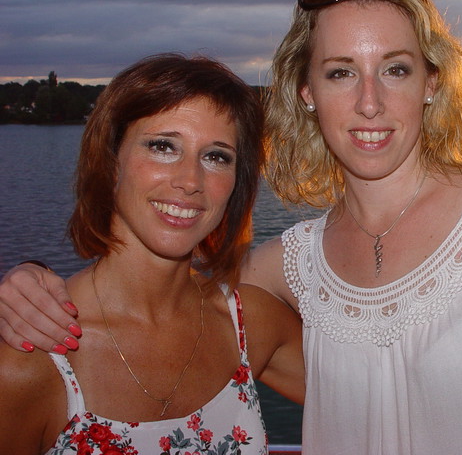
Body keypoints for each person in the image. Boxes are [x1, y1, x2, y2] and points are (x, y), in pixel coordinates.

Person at [0, 0, 462, 454]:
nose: (370, 102)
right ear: (307, 91)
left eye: (395, 69)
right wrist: (28, 280)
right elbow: (158, 293)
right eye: (342, 71)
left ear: (431, 84)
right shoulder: (288, 268)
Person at [0, 54, 303, 455]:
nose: (190, 180)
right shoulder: (31, 360)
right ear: (111, 161)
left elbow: (373, 402)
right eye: (163, 146)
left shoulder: (251, 322)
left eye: (216, 156)